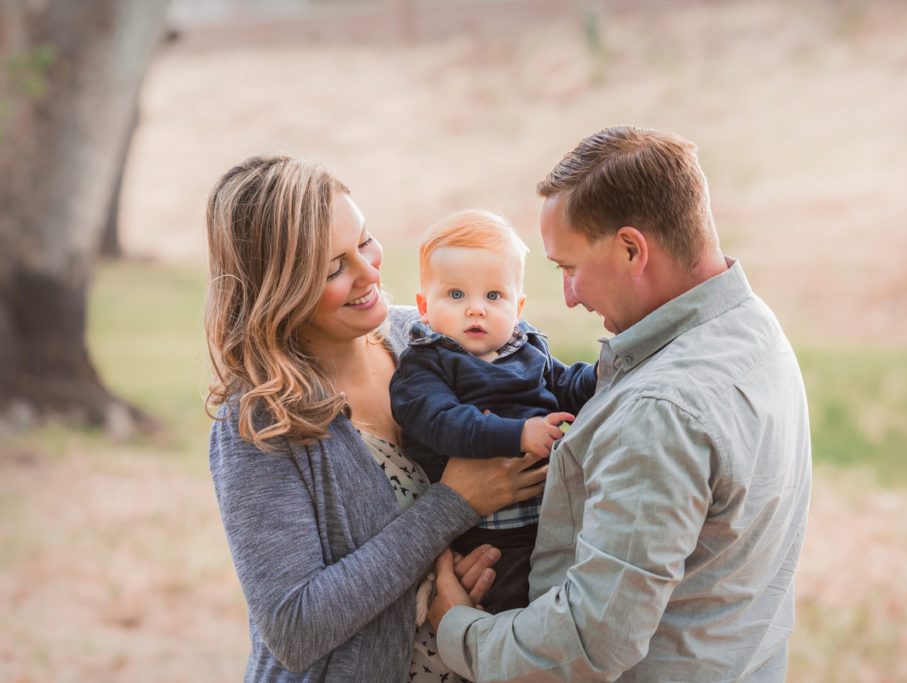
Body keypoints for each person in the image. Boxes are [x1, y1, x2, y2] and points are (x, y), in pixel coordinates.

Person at [429, 124, 814, 682]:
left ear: (633, 248)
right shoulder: (753, 328)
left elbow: (587, 644)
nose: (569, 295)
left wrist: (459, 628)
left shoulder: (660, 410)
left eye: (569, 268)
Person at [203, 155, 549, 683]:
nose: (370, 273)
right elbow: (294, 626)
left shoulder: (427, 338)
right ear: (281, 289)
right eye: (334, 268)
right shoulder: (258, 421)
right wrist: (452, 508)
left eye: (364, 241)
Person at [389, 209, 597, 613]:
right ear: (423, 306)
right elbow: (443, 423)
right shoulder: (426, 365)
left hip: (552, 516)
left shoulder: (527, 348)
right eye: (455, 295)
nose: (476, 309)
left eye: (493, 296)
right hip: (487, 535)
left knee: (571, 602)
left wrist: (604, 373)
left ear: (517, 306)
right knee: (512, 610)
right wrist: (519, 434)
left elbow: (567, 385)